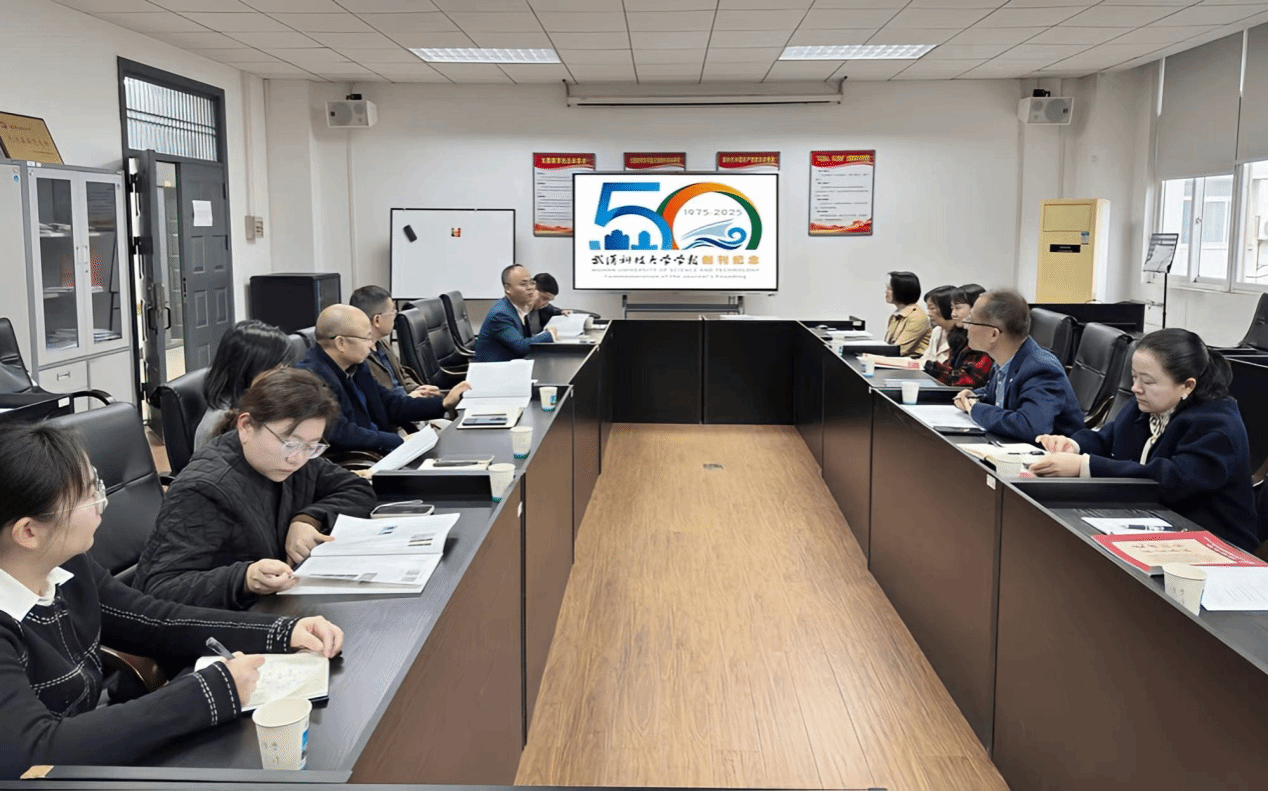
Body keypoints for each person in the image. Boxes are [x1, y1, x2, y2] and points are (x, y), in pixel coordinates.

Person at [0, 423, 344, 777]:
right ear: (29, 531)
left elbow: (152, 621)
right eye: (89, 494)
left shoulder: (66, 564)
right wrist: (207, 693)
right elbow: (37, 750)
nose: (103, 502)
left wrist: (283, 631)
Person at [134, 368, 378, 610]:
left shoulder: (295, 460)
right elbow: (158, 589)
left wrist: (307, 520)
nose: (297, 458)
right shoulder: (203, 490)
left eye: (312, 446)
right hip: (227, 622)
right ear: (246, 426)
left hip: (278, 604)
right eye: (289, 443)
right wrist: (245, 578)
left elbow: (356, 488)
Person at [1031, 329, 1259, 552]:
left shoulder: (1217, 426)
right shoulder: (1145, 405)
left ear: (1187, 385)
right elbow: (1108, 438)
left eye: (1147, 381)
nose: (1135, 388)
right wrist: (1073, 445)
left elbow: (1171, 480)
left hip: (1214, 542)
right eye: (1134, 376)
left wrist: (1084, 466)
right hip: (1151, 521)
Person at [296, 304, 468, 456]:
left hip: (384, 447)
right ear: (341, 343)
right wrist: (398, 441)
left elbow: (391, 404)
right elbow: (342, 433)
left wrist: (443, 403)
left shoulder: (357, 367)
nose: (371, 344)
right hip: (364, 460)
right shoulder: (310, 380)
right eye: (366, 338)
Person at [952, 288, 1084, 442]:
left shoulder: (1041, 369)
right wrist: (974, 396)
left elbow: (1031, 426)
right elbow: (999, 394)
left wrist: (976, 409)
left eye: (971, 320)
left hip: (1048, 453)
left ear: (993, 334)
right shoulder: (1004, 359)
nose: (965, 326)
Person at [195, 320, 293, 451]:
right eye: (277, 366)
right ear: (250, 369)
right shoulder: (222, 425)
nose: (283, 371)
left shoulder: (256, 403)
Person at [348, 285, 440, 399]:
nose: (394, 316)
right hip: (397, 406)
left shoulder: (381, 342)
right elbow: (378, 400)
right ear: (377, 320)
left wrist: (418, 389)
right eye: (392, 312)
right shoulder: (358, 357)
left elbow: (401, 373)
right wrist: (408, 399)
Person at [473, 265, 557, 363]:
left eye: (532, 282)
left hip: (510, 364)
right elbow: (522, 347)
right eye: (523, 284)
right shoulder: (500, 314)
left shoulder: (518, 307)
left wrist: (543, 334)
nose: (530, 288)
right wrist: (549, 335)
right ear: (508, 289)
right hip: (494, 368)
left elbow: (525, 338)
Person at [925, 284, 994, 388]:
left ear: (976, 308)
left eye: (958, 308)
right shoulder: (958, 335)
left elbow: (970, 381)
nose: (953, 314)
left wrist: (934, 369)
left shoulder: (984, 339)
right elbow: (951, 370)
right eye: (952, 308)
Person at [883, 271, 931, 358]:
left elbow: (899, 350)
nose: (886, 291)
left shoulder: (916, 317)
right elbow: (887, 345)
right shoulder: (897, 315)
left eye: (889, 288)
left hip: (912, 362)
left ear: (901, 291)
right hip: (896, 360)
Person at [919, 285, 956, 365]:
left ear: (947, 307)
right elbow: (925, 359)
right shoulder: (937, 331)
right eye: (928, 308)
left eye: (932, 308)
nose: (929, 314)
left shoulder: (962, 336)